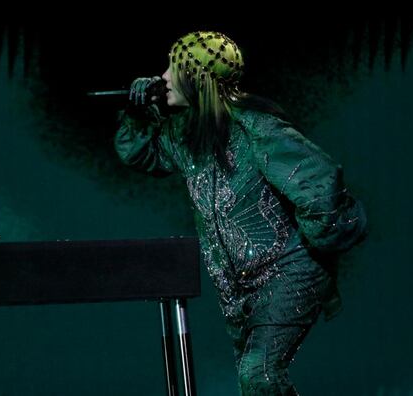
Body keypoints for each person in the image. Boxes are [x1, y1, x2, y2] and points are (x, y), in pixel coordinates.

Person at [114, 31, 367, 395]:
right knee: (256, 381)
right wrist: (138, 114)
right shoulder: (183, 135)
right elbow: (142, 154)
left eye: (174, 68)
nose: (164, 77)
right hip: (237, 286)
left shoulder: (256, 128)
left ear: (198, 77)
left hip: (289, 272)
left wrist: (312, 249)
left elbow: (321, 183)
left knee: (259, 373)